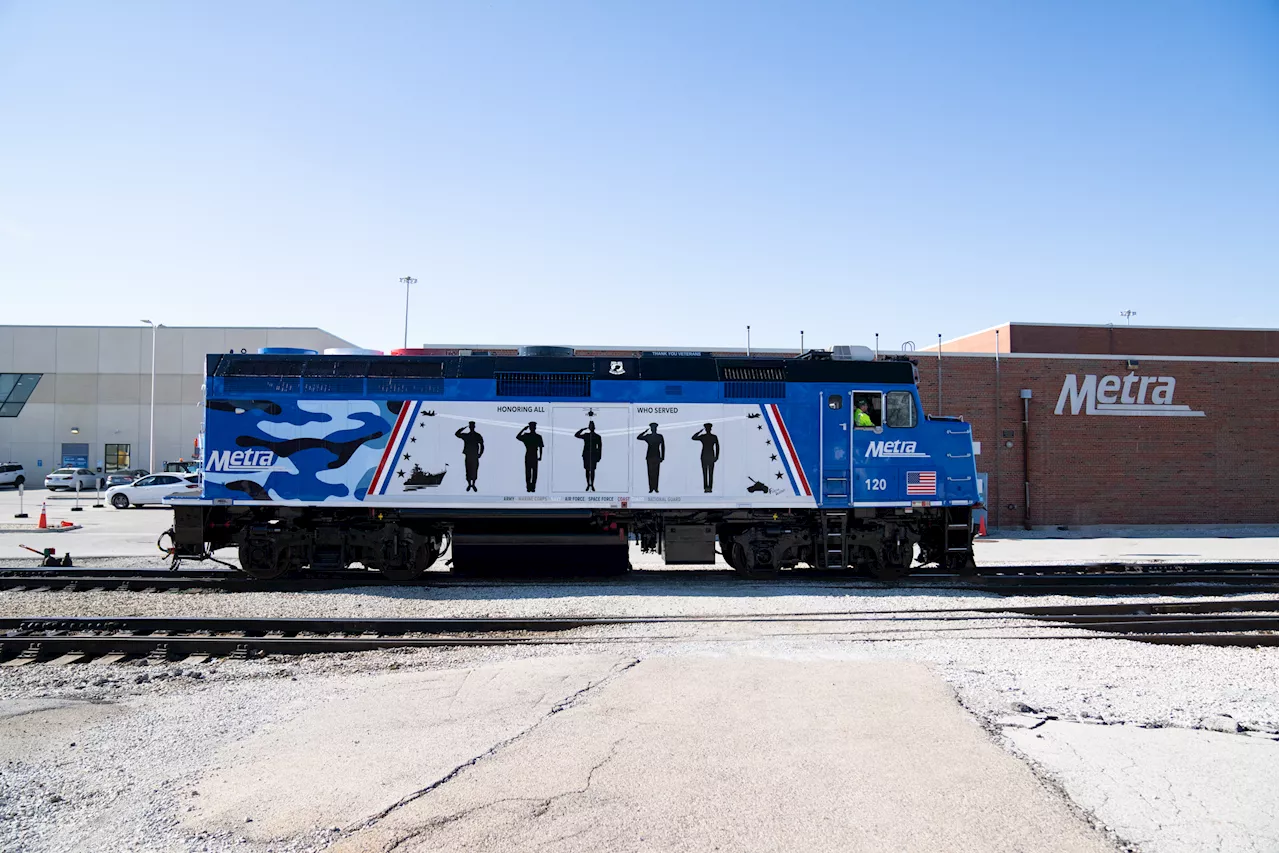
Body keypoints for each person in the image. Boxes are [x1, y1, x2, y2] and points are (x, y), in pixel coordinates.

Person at [454, 421, 485, 492]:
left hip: (474, 456)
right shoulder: (467, 435)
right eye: (470, 426)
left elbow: (482, 445)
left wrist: (480, 454)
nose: (471, 428)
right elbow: (457, 434)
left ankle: (473, 484)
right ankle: (469, 484)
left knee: (474, 471)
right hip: (469, 456)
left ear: (473, 427)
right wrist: (463, 428)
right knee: (468, 471)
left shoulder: (477, 435)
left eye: (472, 426)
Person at [574, 421, 603, 491]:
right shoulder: (587, 435)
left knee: (591, 470)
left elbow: (600, 447)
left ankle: (591, 485)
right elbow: (576, 435)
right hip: (587, 455)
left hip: (592, 455)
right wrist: (582, 430)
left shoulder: (597, 436)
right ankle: (589, 485)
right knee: (588, 470)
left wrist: (599, 456)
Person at [636, 422, 664, 493]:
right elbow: (638, 437)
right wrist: (644, 432)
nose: (653, 429)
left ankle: (655, 488)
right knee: (650, 473)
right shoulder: (649, 436)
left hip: (656, 456)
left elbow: (663, 446)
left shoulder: (659, 436)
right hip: (650, 456)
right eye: (652, 428)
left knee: (656, 473)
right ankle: (651, 488)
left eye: (654, 428)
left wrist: (662, 456)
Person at [691, 423, 719, 493]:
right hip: (709, 455)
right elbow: (717, 447)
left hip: (706, 455)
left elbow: (694, 437)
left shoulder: (705, 436)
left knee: (707, 472)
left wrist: (699, 432)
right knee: (709, 472)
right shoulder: (713, 436)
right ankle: (708, 488)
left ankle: (707, 488)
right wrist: (716, 456)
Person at [516, 422, 544, 492]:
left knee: (531, 472)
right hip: (532, 455)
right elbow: (540, 447)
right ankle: (531, 488)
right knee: (531, 472)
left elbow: (541, 447)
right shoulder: (537, 436)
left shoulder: (529, 436)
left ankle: (530, 488)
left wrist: (523, 429)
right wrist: (540, 456)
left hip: (530, 455)